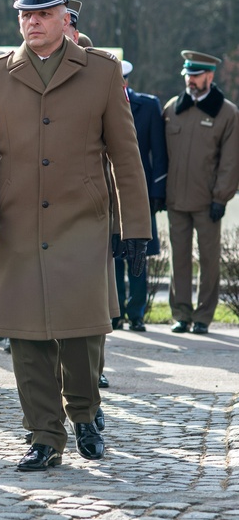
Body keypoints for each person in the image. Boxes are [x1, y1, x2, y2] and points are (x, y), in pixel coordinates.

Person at [0, 0, 151, 471]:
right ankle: (44, 434)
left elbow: (126, 157)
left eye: (44, 14)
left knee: (81, 333)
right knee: (25, 339)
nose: (33, 23)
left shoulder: (102, 72)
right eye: (26, 14)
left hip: (81, 223)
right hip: (18, 224)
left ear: (66, 17)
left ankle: (85, 413)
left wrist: (136, 229)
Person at [164, 50, 239, 334]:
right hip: (175, 199)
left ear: (210, 76)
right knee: (178, 259)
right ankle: (181, 314)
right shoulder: (173, 108)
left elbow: (231, 162)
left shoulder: (227, 113)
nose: (190, 81)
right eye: (187, 75)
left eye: (195, 76)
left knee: (209, 260)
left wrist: (221, 197)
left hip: (208, 201)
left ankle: (203, 317)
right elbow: (162, 155)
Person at [111, 60, 167, 333]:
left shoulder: (148, 105)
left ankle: (136, 313)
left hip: (139, 191)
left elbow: (158, 151)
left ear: (126, 80)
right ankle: (115, 311)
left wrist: (158, 191)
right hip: (108, 191)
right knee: (113, 254)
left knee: (138, 253)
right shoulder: (101, 104)